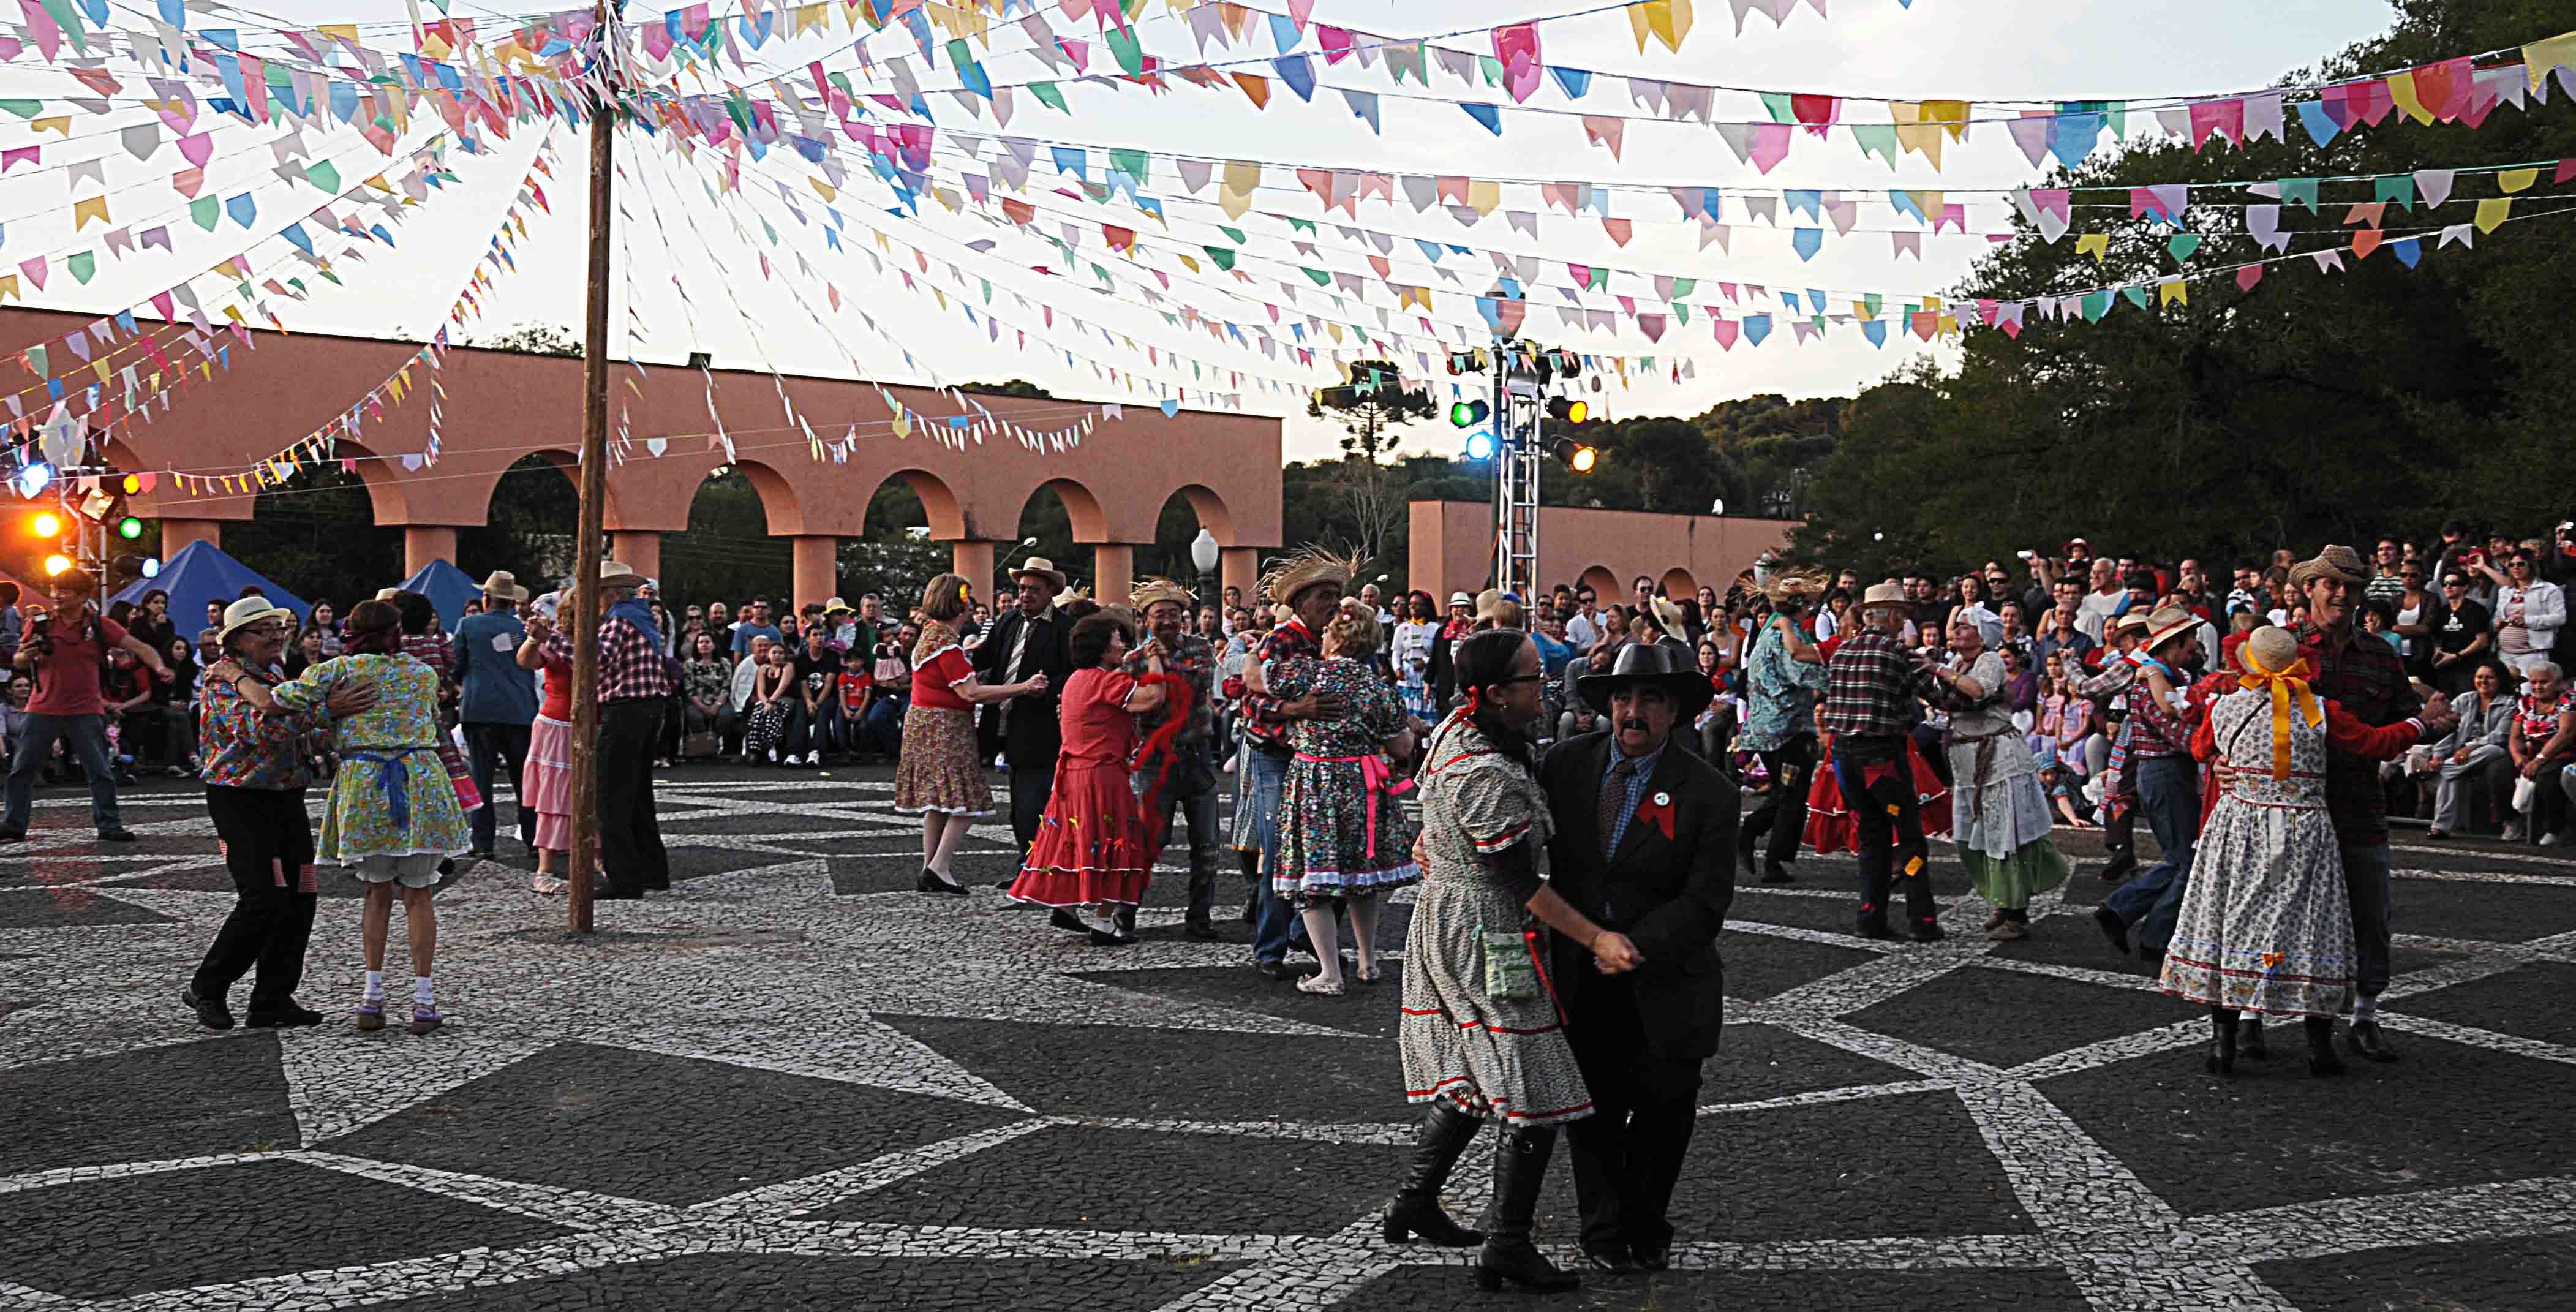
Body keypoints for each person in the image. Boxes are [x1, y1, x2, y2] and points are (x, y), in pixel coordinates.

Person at [1392, 628, 1638, 1295]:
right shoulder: (1484, 772)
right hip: (1487, 936)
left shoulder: (1459, 732)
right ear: (1496, 695)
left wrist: (1434, 843)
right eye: (1533, 678)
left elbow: (1435, 814)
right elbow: (1519, 883)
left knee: (1478, 1070)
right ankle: (1507, 1242)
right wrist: (1597, 939)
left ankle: (1416, 1201)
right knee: (1534, 1085)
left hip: (1456, 919)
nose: (1546, 686)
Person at [2163, 626, 2441, 1077]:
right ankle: (2319, 1048)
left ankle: (2224, 1043)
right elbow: (2376, 743)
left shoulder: (2224, 707)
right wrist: (2419, 723)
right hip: (2303, 828)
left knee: (2233, 924)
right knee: (2313, 927)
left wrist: (2222, 760)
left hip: (2240, 827)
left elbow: (2198, 747)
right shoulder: (2319, 711)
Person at [1536, 641, 1734, 1276]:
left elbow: (1706, 902)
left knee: (1663, 1112)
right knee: (1590, 1110)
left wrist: (1633, 945)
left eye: (1649, 698)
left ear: (1673, 710)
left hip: (1668, 982)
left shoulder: (1709, 792)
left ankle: (1647, 1223)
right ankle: (1601, 1229)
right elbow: (1504, 804)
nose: (1633, 711)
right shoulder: (1566, 765)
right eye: (1623, 697)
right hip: (1580, 977)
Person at [208, 599, 470, 1035]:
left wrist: (233, 675)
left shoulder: (334, 672)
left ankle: (372, 997)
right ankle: (424, 1001)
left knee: (375, 894)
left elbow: (271, 705)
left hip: (366, 784)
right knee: (420, 895)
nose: (277, 635)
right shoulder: (424, 674)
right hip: (421, 783)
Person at [181, 598, 377, 1030]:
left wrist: (325, 730)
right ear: (235, 642)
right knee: (263, 897)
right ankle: (207, 986)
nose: (275, 636)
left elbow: (296, 727)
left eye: (277, 627)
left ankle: (272, 998)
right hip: (240, 801)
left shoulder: (271, 677)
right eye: (261, 630)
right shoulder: (222, 681)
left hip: (285, 797)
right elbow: (261, 730)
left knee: (301, 896)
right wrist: (327, 711)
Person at [2284, 545, 2423, 1063]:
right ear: (2310, 590)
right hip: (2297, 806)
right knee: (2284, 912)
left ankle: (2365, 1016)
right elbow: (2243, 711)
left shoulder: (2383, 653)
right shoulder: (2284, 648)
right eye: (2331, 585)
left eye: (2351, 586)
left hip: (2362, 800)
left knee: (2371, 912)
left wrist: (2409, 729)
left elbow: (2406, 715)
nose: (2342, 594)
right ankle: (2254, 1015)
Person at [1269, 601, 1418, 994]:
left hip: (1315, 784)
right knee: (1361, 878)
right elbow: (1402, 746)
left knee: (1313, 881)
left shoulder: (1307, 676)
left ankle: (1330, 972)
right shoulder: (1377, 686)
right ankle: (1369, 962)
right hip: (1361, 786)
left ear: (1332, 636)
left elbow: (1254, 677)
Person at [1007, 611, 1168, 944]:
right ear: (1102, 647)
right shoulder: (1108, 681)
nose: (1121, 644)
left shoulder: (1075, 680)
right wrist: (1155, 661)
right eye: (1116, 639)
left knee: (1073, 839)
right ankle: (1104, 923)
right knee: (1116, 843)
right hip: (1102, 774)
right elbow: (1153, 698)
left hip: (1072, 774)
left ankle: (1066, 907)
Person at [1236, 550, 1357, 980]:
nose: (1333, 604)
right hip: (1275, 757)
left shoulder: (1337, 643)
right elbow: (1250, 704)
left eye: (1338, 596)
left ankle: (1304, 932)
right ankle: (1269, 948)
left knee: (1337, 852)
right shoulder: (1282, 640)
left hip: (1319, 762)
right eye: (1325, 596)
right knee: (1282, 853)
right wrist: (1296, 707)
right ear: (1302, 601)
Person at [527, 560, 674, 902]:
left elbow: (596, 659)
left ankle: (624, 879)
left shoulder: (620, 619)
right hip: (648, 708)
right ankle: (653, 870)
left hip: (625, 710)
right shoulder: (641, 616)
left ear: (606, 592)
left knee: (613, 796)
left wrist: (549, 638)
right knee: (637, 795)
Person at [897, 573, 1047, 893]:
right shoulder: (946, 644)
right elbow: (971, 692)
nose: (970, 604)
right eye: (966, 598)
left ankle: (930, 868)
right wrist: (1023, 687)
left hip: (923, 724)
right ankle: (939, 867)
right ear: (956, 603)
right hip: (945, 727)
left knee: (938, 801)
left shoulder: (930, 635)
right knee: (967, 801)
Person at [1, 568, 172, 843]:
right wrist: (26, 655)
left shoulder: (99, 625)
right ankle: (13, 824)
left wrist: (160, 667)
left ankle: (109, 824)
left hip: (86, 708)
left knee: (99, 770)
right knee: (22, 769)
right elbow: (19, 659)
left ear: (82, 596)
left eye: (64, 591)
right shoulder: (42, 622)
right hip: (42, 706)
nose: (56, 595)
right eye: (55, 589)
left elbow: (141, 648)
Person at [1820, 582, 1947, 941]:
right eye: (1902, 616)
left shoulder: (1842, 652)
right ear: (1892, 616)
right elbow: (1936, 696)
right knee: (1909, 839)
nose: (1904, 623)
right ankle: (1922, 921)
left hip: (1845, 758)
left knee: (1871, 838)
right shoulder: (1898, 653)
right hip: (1882, 759)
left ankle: (1870, 916)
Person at [1933, 617, 2073, 941]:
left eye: (1966, 626)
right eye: (1956, 625)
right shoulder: (1957, 661)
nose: (1957, 630)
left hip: (1998, 757)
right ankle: (2000, 898)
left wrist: (1936, 670)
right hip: (1967, 761)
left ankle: (2015, 911)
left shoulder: (1990, 660)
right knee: (1973, 836)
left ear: (1983, 635)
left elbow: (1977, 691)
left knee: (2005, 835)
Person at [2090, 608, 2210, 960]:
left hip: (2168, 774)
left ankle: (2126, 915)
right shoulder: (2150, 682)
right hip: (2163, 774)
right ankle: (2149, 933)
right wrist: (2215, 747)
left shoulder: (2170, 676)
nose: (2196, 646)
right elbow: (2174, 732)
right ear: (2174, 643)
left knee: (2182, 858)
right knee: (2185, 860)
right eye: (2191, 639)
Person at [1127, 579, 1224, 939]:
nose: (1167, 623)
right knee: (1149, 841)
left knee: (1207, 845)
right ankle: (1126, 915)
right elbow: (1141, 702)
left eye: (1174, 615)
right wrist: (1157, 664)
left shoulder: (1200, 648)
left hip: (1197, 757)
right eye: (1158, 616)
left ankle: (1199, 918)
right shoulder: (1132, 660)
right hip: (1155, 761)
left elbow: (1192, 688)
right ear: (1144, 620)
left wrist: (1162, 666)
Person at [974, 557, 1075, 864]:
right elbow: (987, 657)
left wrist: (1050, 687)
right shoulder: (1008, 621)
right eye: (1022, 588)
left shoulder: (1064, 628)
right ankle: (1028, 861)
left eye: (1034, 589)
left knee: (1035, 800)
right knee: (1019, 801)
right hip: (1004, 721)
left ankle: (1036, 865)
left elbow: (1074, 672)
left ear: (1050, 592)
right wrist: (950, 656)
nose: (1025, 595)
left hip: (1040, 726)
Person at [1735, 572, 1828, 887]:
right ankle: (1774, 861)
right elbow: (1804, 674)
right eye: (1810, 603)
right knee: (1793, 796)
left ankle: (1749, 834)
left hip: (1765, 727)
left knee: (1782, 791)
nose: (1812, 609)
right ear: (1800, 606)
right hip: (1789, 729)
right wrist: (1841, 678)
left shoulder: (1768, 630)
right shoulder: (1787, 635)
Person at [453, 571, 538, 861]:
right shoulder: (524, 629)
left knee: (481, 777)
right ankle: (533, 839)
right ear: (512, 602)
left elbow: (457, 666)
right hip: (519, 709)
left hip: (480, 708)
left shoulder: (468, 625)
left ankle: (484, 842)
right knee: (523, 780)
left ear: (485, 599)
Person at [515, 596, 578, 894]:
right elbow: (526, 661)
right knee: (554, 798)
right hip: (557, 724)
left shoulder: (600, 637)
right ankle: (545, 868)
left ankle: (595, 857)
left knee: (589, 793)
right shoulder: (557, 640)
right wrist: (533, 637)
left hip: (589, 723)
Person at [2423, 661, 2514, 840]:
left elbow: (2501, 735)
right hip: (2461, 756)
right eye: (2480, 677)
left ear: (2500, 680)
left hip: (2493, 751)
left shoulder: (2509, 703)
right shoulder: (2465, 699)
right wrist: (2438, 755)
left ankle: (2443, 770)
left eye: (2489, 678)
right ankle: (2440, 828)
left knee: (2488, 748)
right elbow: (2449, 729)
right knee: (2451, 774)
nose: (2483, 681)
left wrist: (2469, 747)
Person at [2509, 661, 2575, 845]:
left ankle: (2556, 828)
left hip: (2561, 751)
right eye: (2534, 682)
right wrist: (2517, 756)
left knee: (2547, 776)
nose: (2538, 686)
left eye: (2544, 682)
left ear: (2558, 683)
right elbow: (2515, 736)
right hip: (2532, 751)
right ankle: (2513, 822)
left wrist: (2538, 760)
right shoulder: (2525, 702)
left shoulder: (2569, 700)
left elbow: (2566, 734)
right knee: (2500, 769)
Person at [2426, 568, 2491, 698]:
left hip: (2470, 668)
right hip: (2445, 669)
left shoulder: (2476, 609)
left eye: (2454, 583)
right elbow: (2438, 638)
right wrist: (2438, 651)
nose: (2448, 587)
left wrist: (2456, 656)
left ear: (2465, 587)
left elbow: (2482, 641)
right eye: (2445, 584)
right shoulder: (2442, 611)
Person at [1393, 592, 1441, 720]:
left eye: (1418, 604)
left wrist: (1425, 661)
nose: (1413, 607)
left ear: (1426, 607)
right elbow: (1396, 653)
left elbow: (1438, 654)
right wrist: (1397, 669)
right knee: (1406, 716)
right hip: (1407, 674)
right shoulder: (1402, 628)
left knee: (1427, 717)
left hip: (1426, 675)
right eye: (1411, 604)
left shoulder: (1435, 628)